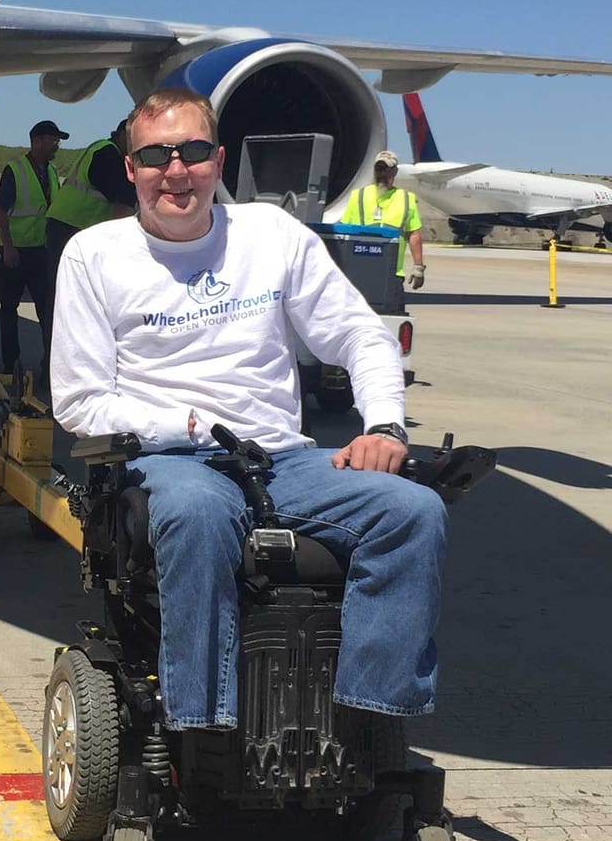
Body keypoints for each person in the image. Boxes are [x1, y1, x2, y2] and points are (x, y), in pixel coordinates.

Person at [51, 89, 446, 730]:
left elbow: (360, 335)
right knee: (197, 513)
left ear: (219, 160)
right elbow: (78, 400)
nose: (175, 170)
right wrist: (180, 424)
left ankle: (362, 723)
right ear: (131, 169)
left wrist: (384, 425)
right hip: (169, 461)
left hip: (279, 457)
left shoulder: (271, 235)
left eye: (194, 152)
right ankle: (203, 729)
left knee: (414, 512)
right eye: (155, 155)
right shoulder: (94, 256)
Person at [0, 119, 65, 375]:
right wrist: (9, 247)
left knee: (47, 310)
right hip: (16, 252)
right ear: (37, 141)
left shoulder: (52, 172)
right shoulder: (16, 170)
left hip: (40, 252)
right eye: (52, 140)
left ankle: (50, 365)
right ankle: (10, 364)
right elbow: (0, 210)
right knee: (9, 310)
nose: (56, 145)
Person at [44, 118, 136, 267]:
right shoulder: (108, 154)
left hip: (67, 223)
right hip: (71, 226)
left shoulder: (101, 148)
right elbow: (123, 199)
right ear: (121, 135)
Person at [347, 151, 426, 290]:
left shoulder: (406, 199)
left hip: (393, 274)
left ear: (395, 172)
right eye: (379, 169)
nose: (382, 174)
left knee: (392, 309)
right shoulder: (357, 196)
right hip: (360, 271)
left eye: (387, 170)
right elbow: (343, 232)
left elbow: (413, 234)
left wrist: (418, 267)